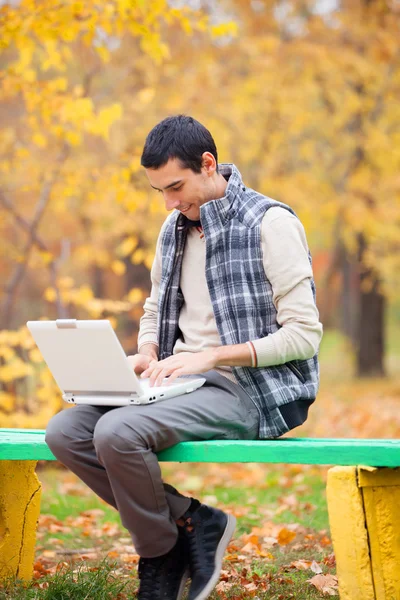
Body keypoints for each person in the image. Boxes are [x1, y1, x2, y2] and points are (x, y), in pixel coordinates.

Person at [45, 115, 323, 600]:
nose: (171, 203)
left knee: (117, 432)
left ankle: (158, 553)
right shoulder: (173, 228)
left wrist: (210, 357)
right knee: (64, 431)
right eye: (161, 193)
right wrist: (147, 351)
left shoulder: (271, 223)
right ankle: (191, 523)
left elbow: (304, 336)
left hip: (252, 389)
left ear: (208, 165)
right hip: (176, 380)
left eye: (176, 187)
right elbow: (156, 306)